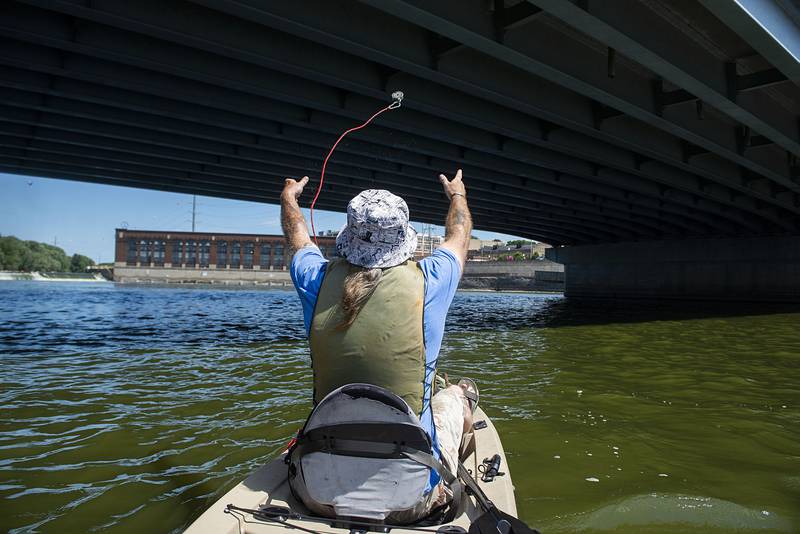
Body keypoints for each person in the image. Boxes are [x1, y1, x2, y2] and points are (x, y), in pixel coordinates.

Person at [281, 169, 477, 520]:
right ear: (403, 240)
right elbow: (459, 234)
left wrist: (289, 199)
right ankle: (463, 401)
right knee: (455, 396)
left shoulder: (316, 279)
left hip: (316, 494)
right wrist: (456, 195)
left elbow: (297, 236)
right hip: (410, 501)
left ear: (349, 236)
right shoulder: (431, 281)